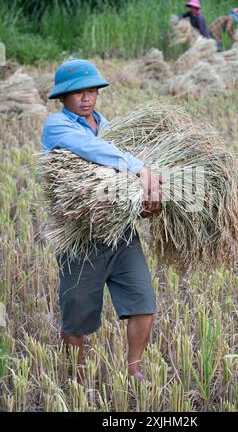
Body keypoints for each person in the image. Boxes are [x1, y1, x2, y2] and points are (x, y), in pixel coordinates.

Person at [42, 58, 162, 384]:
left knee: (143, 304)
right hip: (80, 238)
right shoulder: (57, 127)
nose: (86, 98)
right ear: (62, 98)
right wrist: (141, 168)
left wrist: (147, 200)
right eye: (78, 93)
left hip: (121, 235)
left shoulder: (106, 125)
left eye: (92, 91)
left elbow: (119, 182)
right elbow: (93, 150)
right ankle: (77, 378)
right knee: (77, 318)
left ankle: (134, 368)